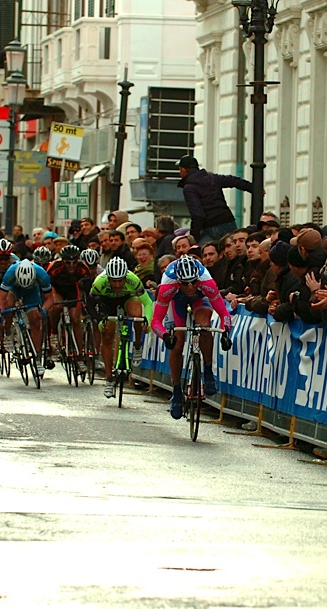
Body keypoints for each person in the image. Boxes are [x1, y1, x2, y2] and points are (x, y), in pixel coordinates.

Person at [151, 255, 233, 419]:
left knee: (204, 325)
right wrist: (166, 337)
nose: (189, 287)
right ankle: (176, 390)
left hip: (200, 299)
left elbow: (224, 312)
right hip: (176, 300)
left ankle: (208, 371)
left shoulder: (207, 282)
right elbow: (155, 321)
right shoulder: (168, 284)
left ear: (198, 279)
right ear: (178, 281)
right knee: (177, 344)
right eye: (185, 283)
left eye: (193, 282)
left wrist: (225, 333)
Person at [88, 257, 153, 398]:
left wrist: (147, 320)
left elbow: (148, 303)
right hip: (107, 301)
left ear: (126, 277)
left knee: (137, 313)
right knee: (107, 334)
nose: (117, 284)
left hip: (127, 298)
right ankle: (109, 379)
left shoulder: (133, 280)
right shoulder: (99, 282)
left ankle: (137, 345)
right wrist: (99, 320)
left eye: (120, 280)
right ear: (108, 278)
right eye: (113, 280)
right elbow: (90, 305)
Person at [177, 155, 253, 244]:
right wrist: (254, 188)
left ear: (183, 170)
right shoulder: (213, 177)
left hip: (211, 226)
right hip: (228, 221)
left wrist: (194, 236)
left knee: (203, 254)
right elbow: (234, 181)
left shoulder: (189, 188)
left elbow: (198, 215)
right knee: (232, 251)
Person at [0, 259, 54, 376]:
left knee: (35, 321)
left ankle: (37, 358)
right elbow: (2, 299)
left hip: (32, 292)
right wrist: (2, 314)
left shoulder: (41, 274)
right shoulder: (10, 273)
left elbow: (50, 299)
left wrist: (43, 311)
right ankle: (8, 333)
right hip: (14, 289)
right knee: (9, 305)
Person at [46, 244, 95, 364]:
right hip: (57, 288)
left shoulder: (83, 268)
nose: (72, 265)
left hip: (73, 289)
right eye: (68, 262)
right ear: (63, 261)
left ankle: (79, 354)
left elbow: (88, 290)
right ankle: (54, 332)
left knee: (75, 319)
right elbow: (48, 286)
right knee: (57, 305)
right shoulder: (54, 267)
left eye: (74, 262)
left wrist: (88, 305)